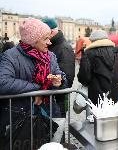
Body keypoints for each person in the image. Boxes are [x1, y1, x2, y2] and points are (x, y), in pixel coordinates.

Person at [0, 18, 68, 148]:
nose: (49, 42)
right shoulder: (10, 56)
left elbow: (60, 74)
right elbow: (3, 82)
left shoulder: (50, 56)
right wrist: (37, 89)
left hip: (50, 113)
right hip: (19, 119)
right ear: (33, 40)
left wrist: (59, 81)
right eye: (45, 39)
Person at [42, 18, 75, 116]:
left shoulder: (64, 48)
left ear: (51, 32)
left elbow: (67, 79)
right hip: (50, 99)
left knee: (58, 129)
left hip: (58, 100)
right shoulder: (53, 45)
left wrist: (54, 81)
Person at [77, 30, 118, 105]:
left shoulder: (89, 53)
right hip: (115, 94)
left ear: (93, 41)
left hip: (96, 96)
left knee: (95, 116)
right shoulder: (116, 51)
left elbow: (84, 78)